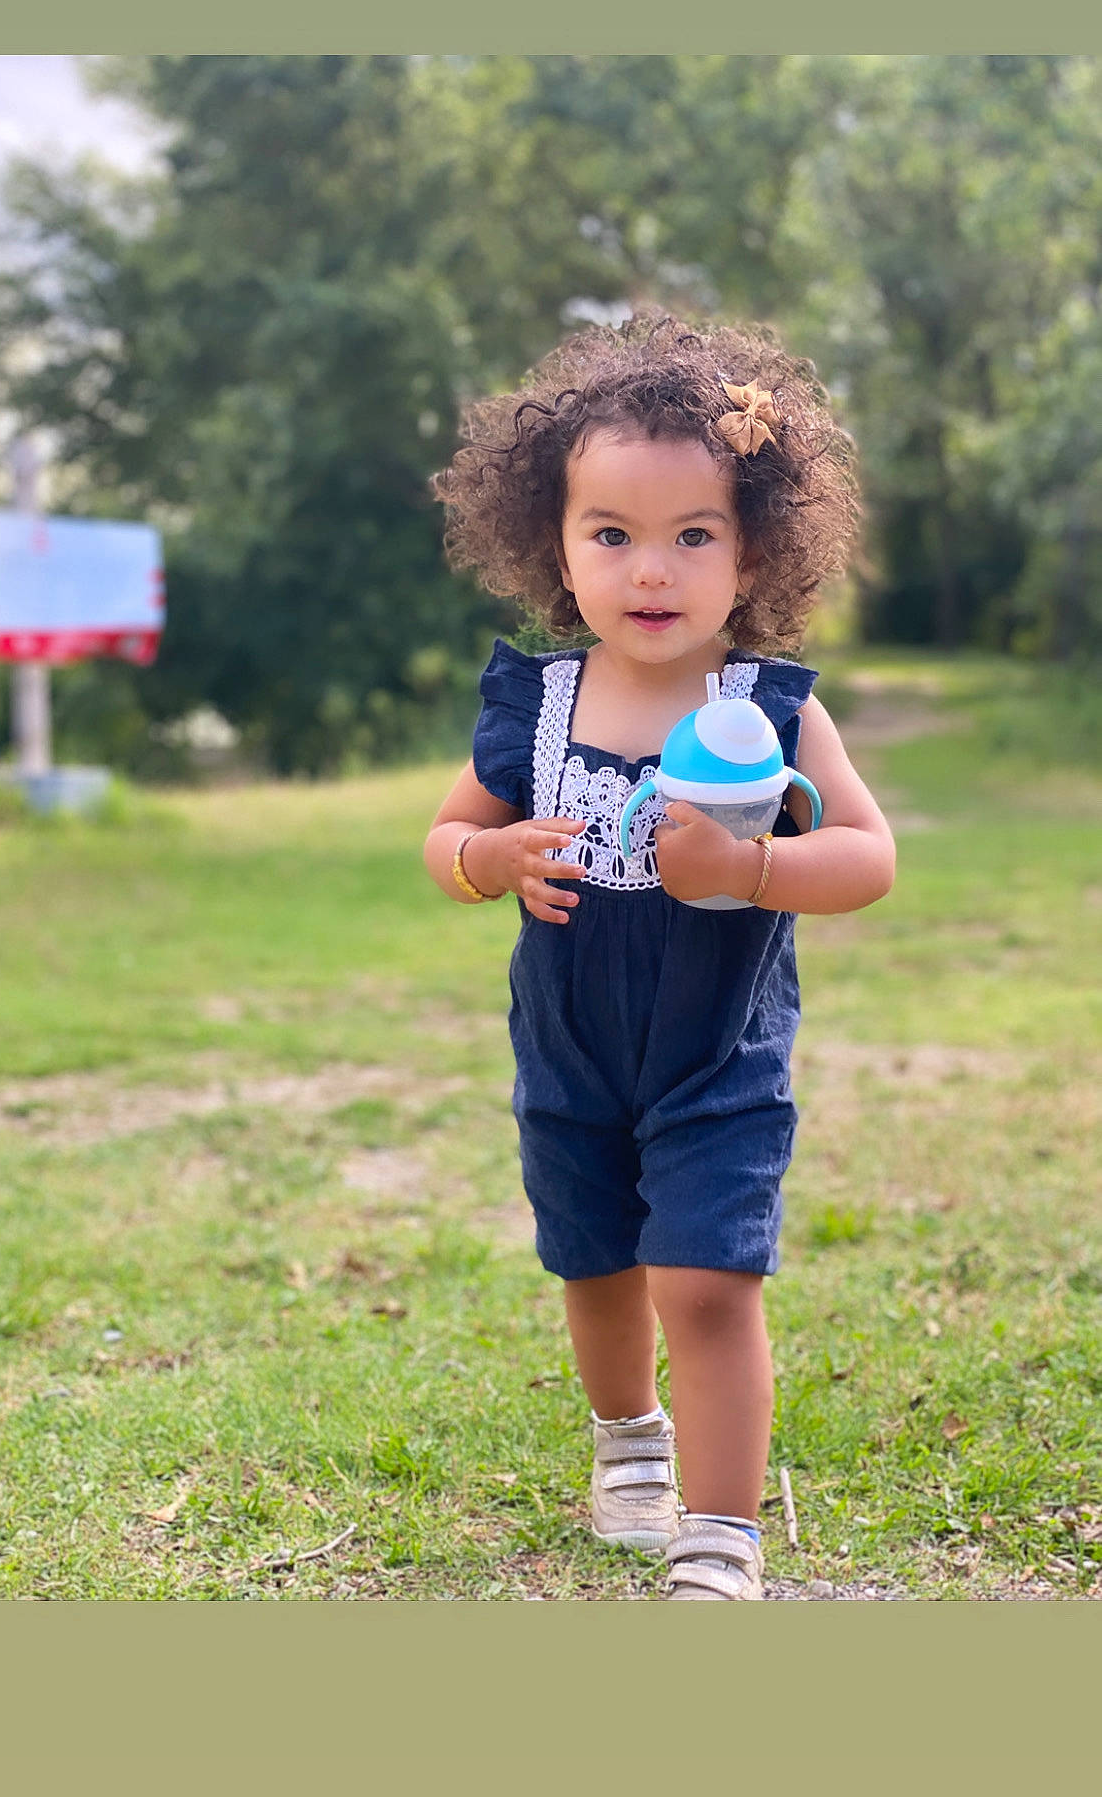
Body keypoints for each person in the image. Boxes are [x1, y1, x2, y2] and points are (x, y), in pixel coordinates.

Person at [423, 313, 895, 1600]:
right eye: (612, 534)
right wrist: (493, 857)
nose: (652, 568)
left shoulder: (768, 711)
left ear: (753, 553)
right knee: (595, 1260)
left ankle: (721, 1531)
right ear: (556, 547)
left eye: (694, 534)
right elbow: (445, 839)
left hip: (714, 1050)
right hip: (572, 1047)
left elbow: (867, 856)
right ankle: (630, 1440)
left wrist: (751, 869)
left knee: (707, 1277)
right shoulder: (536, 706)